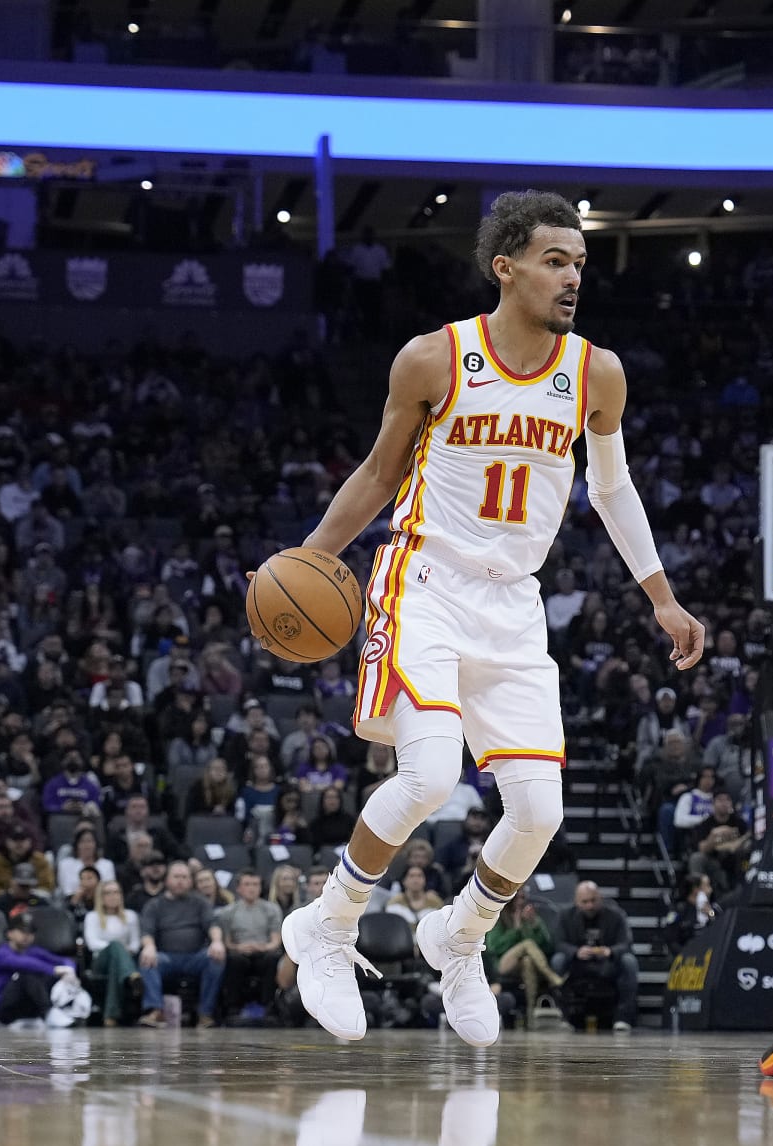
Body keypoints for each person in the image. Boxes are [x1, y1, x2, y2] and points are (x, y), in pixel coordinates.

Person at [281, 190, 704, 1045]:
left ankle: (460, 937)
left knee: (539, 812)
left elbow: (611, 488)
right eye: (556, 260)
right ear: (504, 266)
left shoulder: (597, 372)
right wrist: (315, 554)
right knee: (431, 776)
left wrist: (661, 594)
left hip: (515, 603)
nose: (573, 276)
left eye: (580, 262)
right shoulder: (434, 358)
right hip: (426, 580)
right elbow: (374, 472)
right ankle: (327, 925)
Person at [137, 863, 227, 1027]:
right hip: (166, 957)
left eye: (185, 877)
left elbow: (213, 925)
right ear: (167, 880)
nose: (180, 881)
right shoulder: (154, 905)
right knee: (147, 959)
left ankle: (205, 1014)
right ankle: (156, 1011)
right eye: (176, 877)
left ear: (191, 881)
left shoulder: (200, 902)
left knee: (216, 958)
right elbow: (146, 932)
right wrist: (149, 947)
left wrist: (217, 942)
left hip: (195, 957)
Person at [551, 880, 638, 1033]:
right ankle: (562, 1017)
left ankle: (623, 1018)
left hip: (607, 964)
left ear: (600, 898)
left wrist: (610, 951)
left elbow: (626, 943)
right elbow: (558, 943)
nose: (589, 905)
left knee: (629, 961)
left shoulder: (616, 915)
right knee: (558, 960)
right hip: (577, 964)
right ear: (576, 902)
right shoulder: (565, 915)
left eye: (593, 900)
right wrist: (576, 952)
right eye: (585, 902)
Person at [0, 911, 78, 1028]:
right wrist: (55, 970)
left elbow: (64, 961)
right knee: (26, 975)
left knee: (49, 976)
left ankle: (60, 1010)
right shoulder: (1, 953)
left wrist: (70, 972)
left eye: (30, 932)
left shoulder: (33, 951)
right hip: (3, 1007)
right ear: (9, 933)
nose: (26, 935)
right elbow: (25, 964)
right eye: (22, 931)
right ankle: (49, 1012)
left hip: (27, 1007)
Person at [216, 869, 284, 1023]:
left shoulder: (271, 909)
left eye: (255, 884)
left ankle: (268, 1006)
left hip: (263, 951)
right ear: (239, 888)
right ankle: (233, 1007)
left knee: (273, 958)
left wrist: (263, 947)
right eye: (247, 884)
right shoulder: (228, 912)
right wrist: (238, 947)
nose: (252, 888)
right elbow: (227, 942)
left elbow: (275, 940)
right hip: (239, 951)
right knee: (234, 960)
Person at [486, 890, 561, 1024]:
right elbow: (494, 947)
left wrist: (534, 925)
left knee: (528, 962)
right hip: (504, 962)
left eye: (523, 898)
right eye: (517, 898)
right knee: (527, 944)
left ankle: (531, 1013)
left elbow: (546, 946)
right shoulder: (499, 917)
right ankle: (551, 976)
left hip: (524, 963)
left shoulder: (531, 918)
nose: (521, 901)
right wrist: (516, 929)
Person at [83, 879, 142, 1026]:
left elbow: (135, 943)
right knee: (116, 947)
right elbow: (92, 943)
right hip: (100, 960)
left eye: (116, 892)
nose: (112, 896)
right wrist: (118, 949)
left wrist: (127, 950)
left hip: (123, 961)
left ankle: (111, 1016)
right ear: (100, 896)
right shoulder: (92, 916)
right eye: (108, 893)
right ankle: (132, 976)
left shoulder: (131, 916)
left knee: (116, 965)